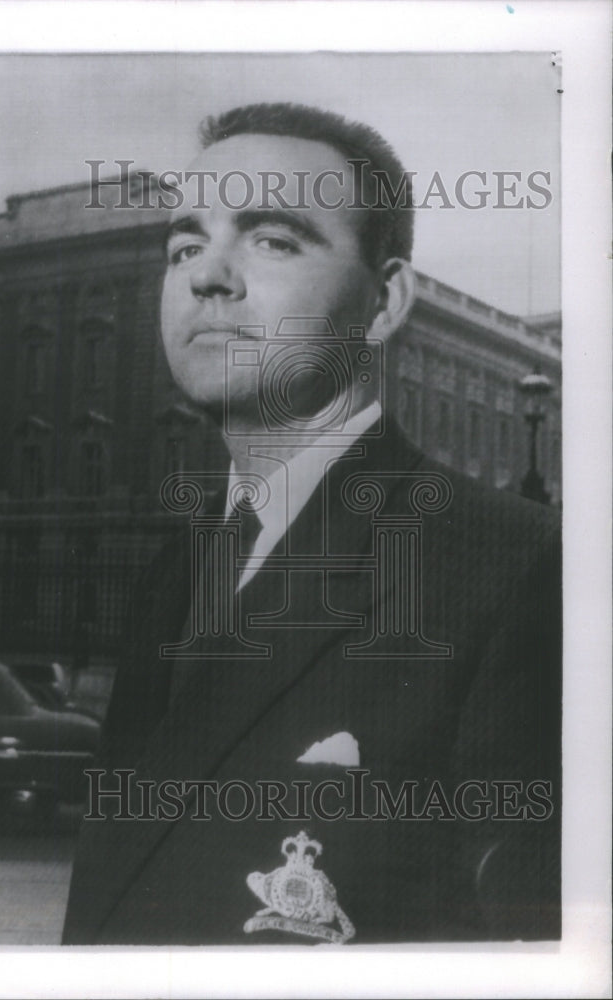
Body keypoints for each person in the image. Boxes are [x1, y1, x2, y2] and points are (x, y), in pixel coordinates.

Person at [62, 103, 561, 945]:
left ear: (383, 301)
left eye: (272, 240)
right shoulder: (178, 564)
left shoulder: (517, 566)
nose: (206, 276)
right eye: (184, 247)